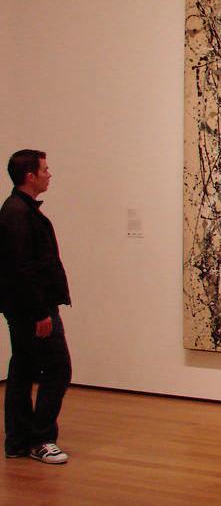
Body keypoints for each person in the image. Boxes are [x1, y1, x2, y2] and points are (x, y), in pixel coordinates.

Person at [0, 150, 71, 464]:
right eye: (45, 169)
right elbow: (22, 269)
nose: (49, 174)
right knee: (58, 369)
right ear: (30, 176)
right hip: (32, 310)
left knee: (23, 369)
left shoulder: (19, 209)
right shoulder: (17, 213)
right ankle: (41, 439)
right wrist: (41, 312)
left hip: (25, 308)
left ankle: (18, 441)